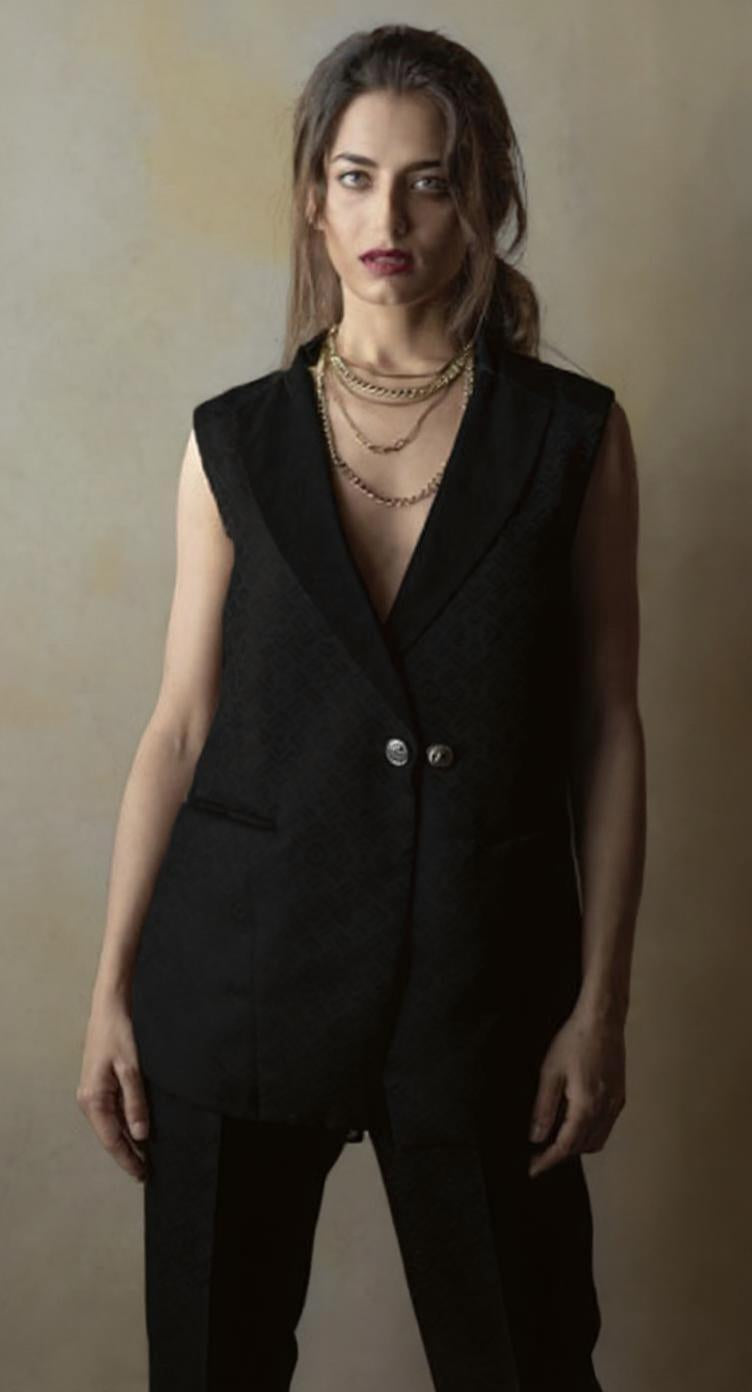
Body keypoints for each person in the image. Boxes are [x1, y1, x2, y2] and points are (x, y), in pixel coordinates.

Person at [76, 22, 645, 1392]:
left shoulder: (572, 436)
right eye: (354, 177)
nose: (387, 218)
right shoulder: (233, 439)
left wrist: (600, 1003)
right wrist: (109, 993)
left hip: (485, 983)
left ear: (482, 198)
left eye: (428, 181)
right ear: (312, 200)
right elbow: (179, 725)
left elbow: (608, 730)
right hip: (238, 970)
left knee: (526, 1361)